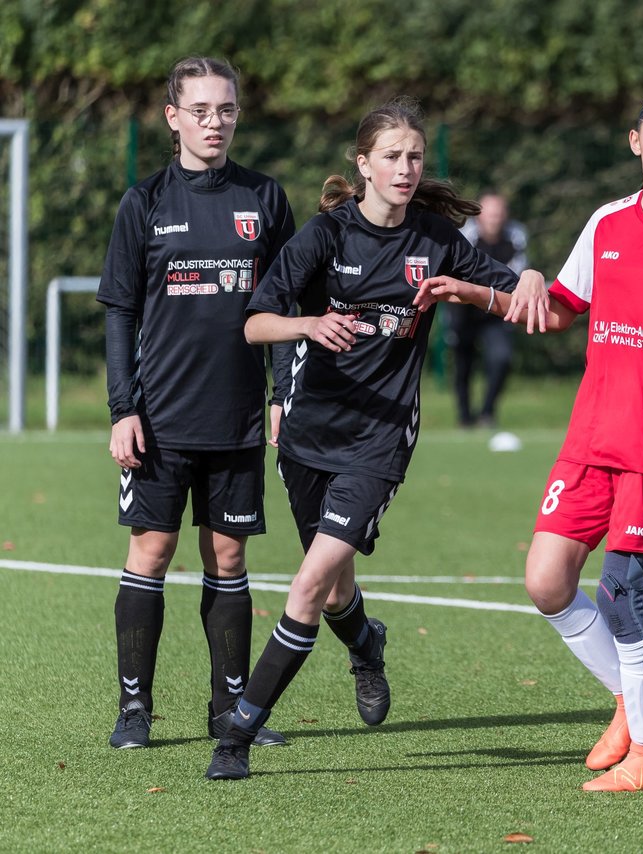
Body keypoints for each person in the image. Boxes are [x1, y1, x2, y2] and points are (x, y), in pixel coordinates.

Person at [426, 89, 643, 791]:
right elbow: (556, 311)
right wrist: (480, 293)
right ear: (634, 142)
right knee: (547, 581)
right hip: (591, 435)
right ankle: (628, 701)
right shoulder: (606, 220)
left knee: (621, 593)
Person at [205, 98, 548, 781]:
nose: (404, 167)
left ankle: (236, 737)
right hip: (307, 433)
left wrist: (527, 278)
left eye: (414, 156)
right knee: (332, 593)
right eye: (390, 156)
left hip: (380, 441)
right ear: (363, 164)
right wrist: (307, 327)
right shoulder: (326, 237)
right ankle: (365, 644)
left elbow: (516, 294)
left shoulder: (438, 240)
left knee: (305, 586)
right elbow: (254, 323)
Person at [97, 56, 295, 751]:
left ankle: (230, 711)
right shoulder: (144, 203)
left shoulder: (265, 199)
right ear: (173, 117)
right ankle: (133, 711)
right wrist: (124, 408)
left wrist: (283, 394)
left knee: (229, 557)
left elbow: (284, 307)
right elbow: (120, 312)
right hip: (159, 419)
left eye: (228, 110)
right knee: (150, 551)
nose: (216, 123)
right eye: (202, 111)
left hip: (237, 415)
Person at [450, 190, 529, 427]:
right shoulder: (466, 236)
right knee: (463, 364)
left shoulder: (516, 236)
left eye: (499, 214)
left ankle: (487, 413)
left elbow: (517, 276)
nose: (494, 219)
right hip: (464, 311)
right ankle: (464, 418)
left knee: (501, 358)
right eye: (489, 214)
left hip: (498, 309)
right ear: (479, 216)